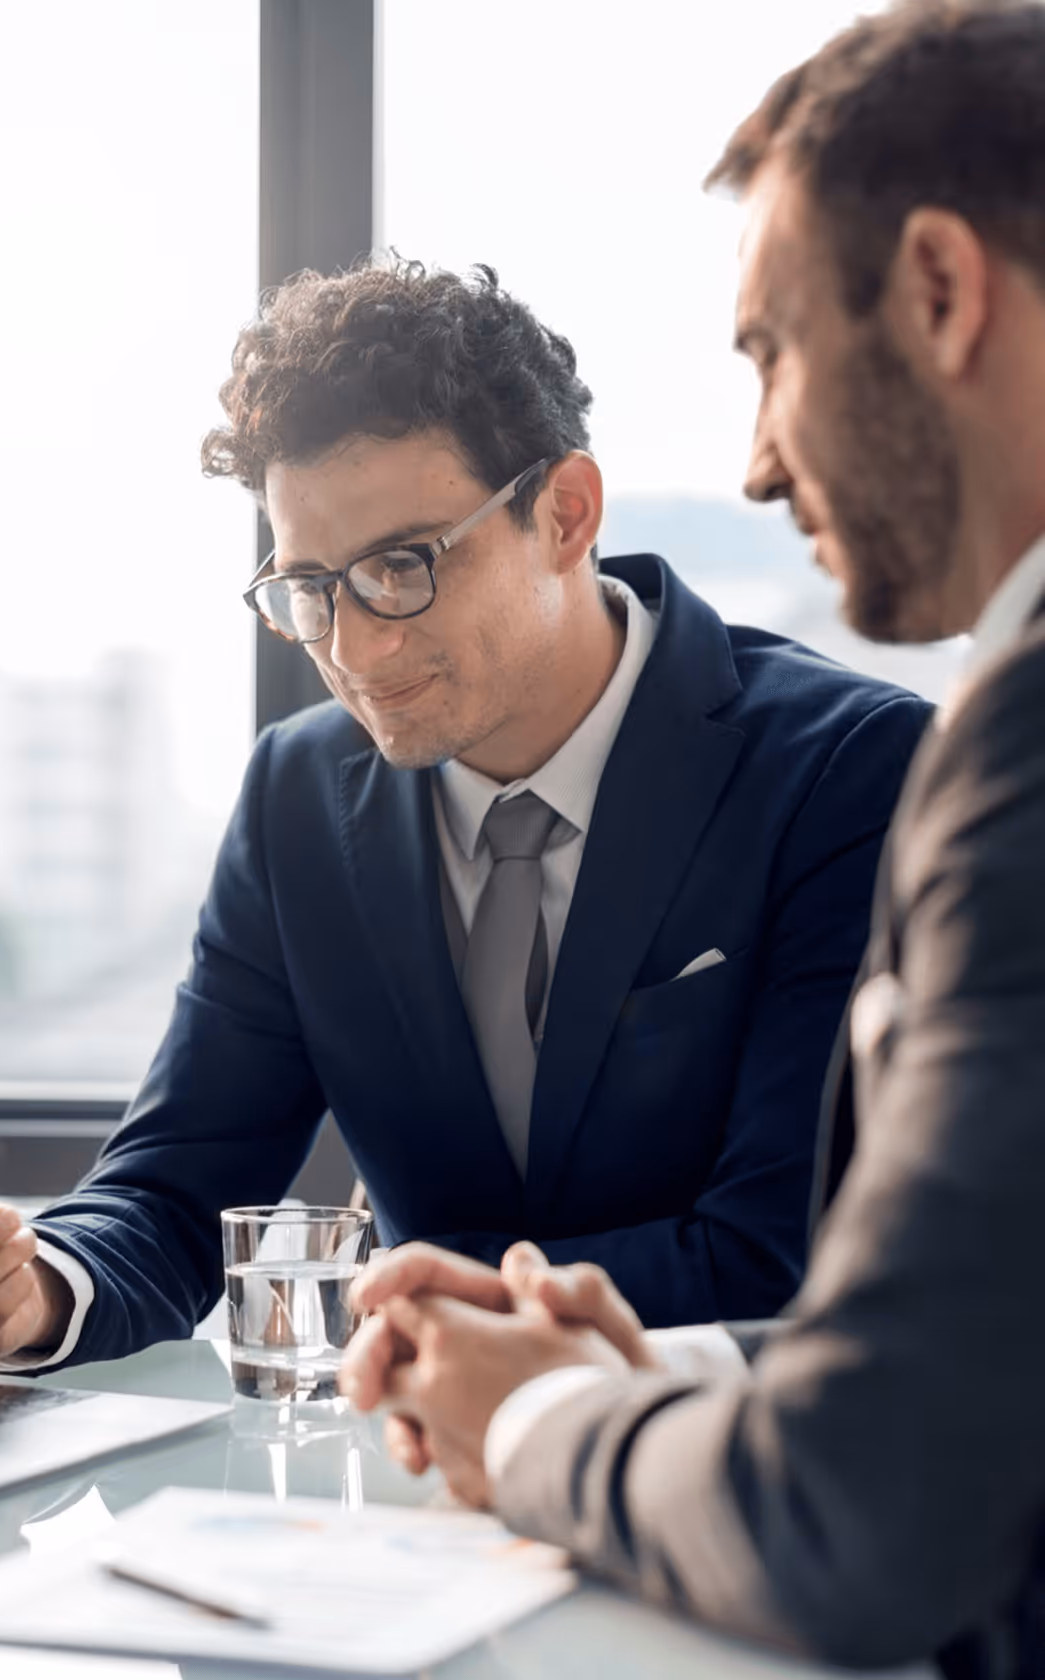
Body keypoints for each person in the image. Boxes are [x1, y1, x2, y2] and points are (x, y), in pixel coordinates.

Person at [0, 260, 928, 1369]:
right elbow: (173, 1188)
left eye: (402, 567)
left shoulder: (849, 773)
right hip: (406, 1484)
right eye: (310, 588)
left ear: (564, 513)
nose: (358, 650)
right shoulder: (297, 799)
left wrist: (422, 1319)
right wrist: (32, 1288)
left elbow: (784, 1255)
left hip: (729, 1472)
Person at [343, 4, 1045, 1675]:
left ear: (941, 291)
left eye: (771, 352)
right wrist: (690, 1375)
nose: (749, 465)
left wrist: (539, 1428)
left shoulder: (999, 749)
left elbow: (863, 1518)